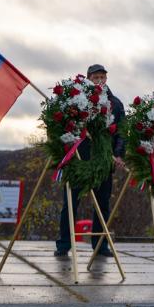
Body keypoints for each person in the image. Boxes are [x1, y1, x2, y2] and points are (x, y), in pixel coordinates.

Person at [55, 64, 126, 258]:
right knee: (70, 204)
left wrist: (118, 154)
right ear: (88, 79)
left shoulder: (116, 104)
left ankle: (100, 245)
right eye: (95, 77)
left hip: (104, 162)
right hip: (79, 158)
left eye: (102, 77)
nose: (99, 80)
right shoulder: (78, 100)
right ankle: (63, 245)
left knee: (102, 205)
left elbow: (121, 132)